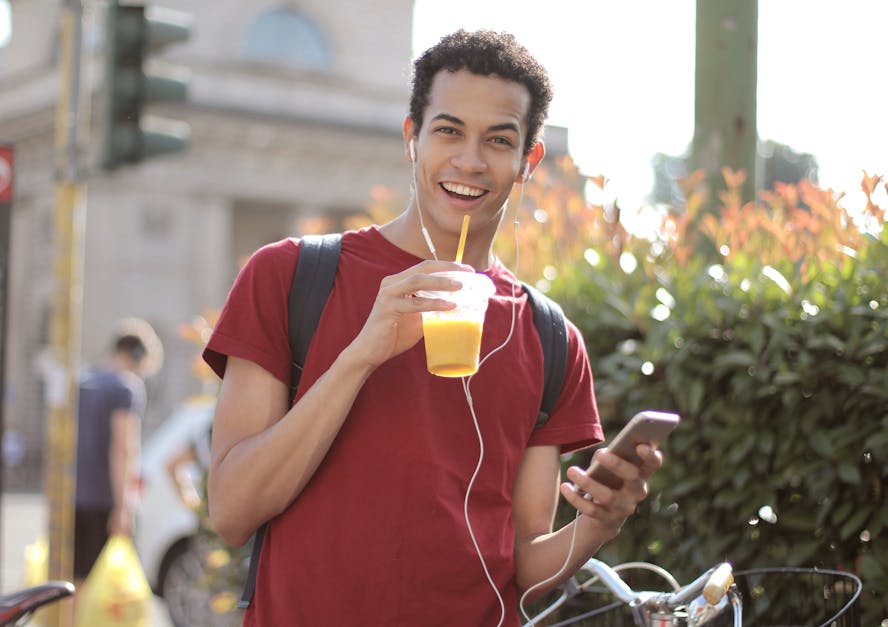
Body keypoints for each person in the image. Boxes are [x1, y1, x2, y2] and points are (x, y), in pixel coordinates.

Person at [203, 29, 663, 626]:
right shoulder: (290, 276)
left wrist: (598, 525)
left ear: (528, 161)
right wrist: (360, 356)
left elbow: (522, 564)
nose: (470, 161)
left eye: (498, 141)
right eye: (448, 131)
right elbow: (233, 511)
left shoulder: (551, 339)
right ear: (411, 139)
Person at [73, 318, 162, 585]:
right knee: (102, 585)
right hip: (103, 499)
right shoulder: (125, 388)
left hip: (71, 494)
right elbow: (124, 448)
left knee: (74, 582)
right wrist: (123, 507)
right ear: (138, 357)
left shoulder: (83, 381)